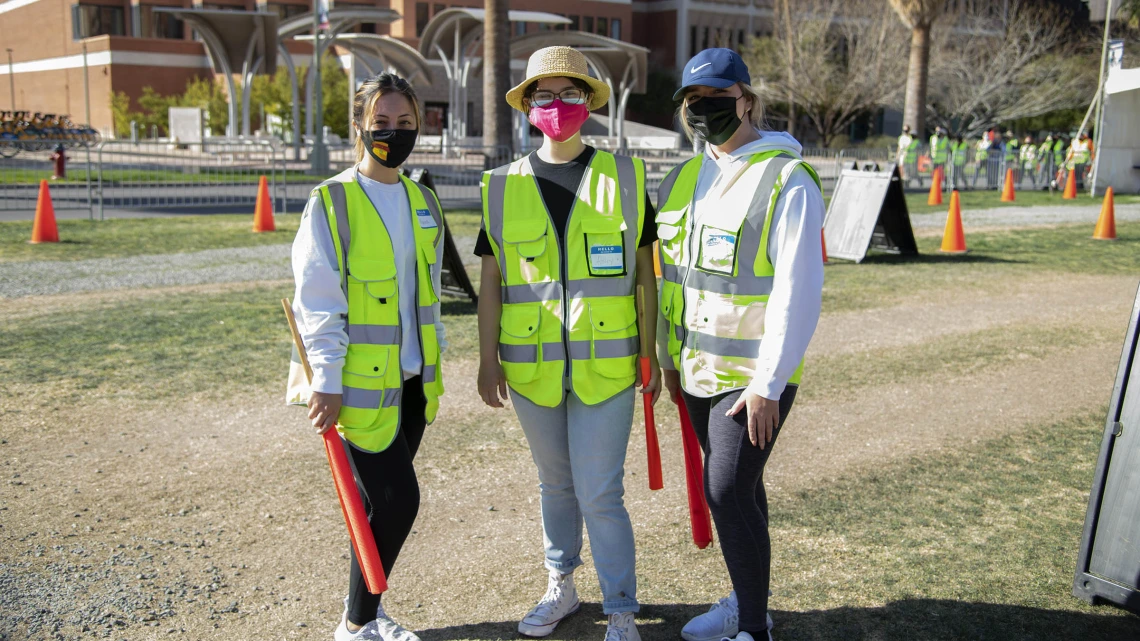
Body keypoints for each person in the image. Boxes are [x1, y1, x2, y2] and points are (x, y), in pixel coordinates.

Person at [474, 46, 661, 641]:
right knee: (554, 484)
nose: (558, 105)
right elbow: (491, 284)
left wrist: (650, 352)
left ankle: (622, 607)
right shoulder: (500, 188)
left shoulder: (626, 178)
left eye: (571, 93)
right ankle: (562, 584)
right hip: (531, 369)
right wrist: (486, 360)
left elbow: (643, 279)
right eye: (545, 95)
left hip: (609, 368)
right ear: (529, 107)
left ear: (590, 104)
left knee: (601, 491)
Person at [660, 48, 825, 641]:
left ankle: (752, 627)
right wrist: (666, 355)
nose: (703, 112)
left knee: (725, 489)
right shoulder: (686, 176)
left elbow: (797, 292)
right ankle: (745, 601)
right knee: (741, 491)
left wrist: (767, 385)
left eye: (717, 100)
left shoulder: (787, 179)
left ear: (748, 101)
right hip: (695, 368)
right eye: (692, 103)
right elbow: (671, 277)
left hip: (751, 375)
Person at [291, 73, 447, 641]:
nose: (393, 134)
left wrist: (435, 360)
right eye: (382, 123)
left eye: (406, 124)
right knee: (400, 501)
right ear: (359, 125)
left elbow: (426, 292)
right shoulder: (331, 202)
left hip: (411, 382)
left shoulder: (423, 200)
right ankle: (357, 624)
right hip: (355, 387)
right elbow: (317, 300)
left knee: (380, 509)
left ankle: (364, 617)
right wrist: (326, 379)